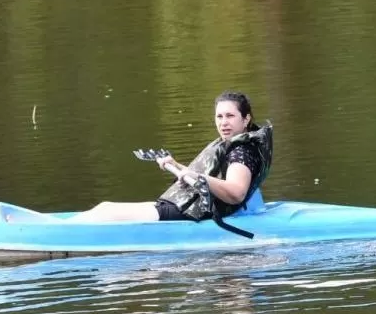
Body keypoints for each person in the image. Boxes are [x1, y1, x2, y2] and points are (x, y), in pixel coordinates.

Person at [67, 91, 273, 223]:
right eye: (219, 116)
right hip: (191, 206)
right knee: (105, 207)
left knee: (107, 211)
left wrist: (195, 175)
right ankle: (63, 226)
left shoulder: (241, 152)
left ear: (246, 119)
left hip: (194, 213)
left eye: (230, 116)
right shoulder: (233, 145)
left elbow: (236, 193)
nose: (223, 122)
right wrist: (176, 165)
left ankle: (61, 230)